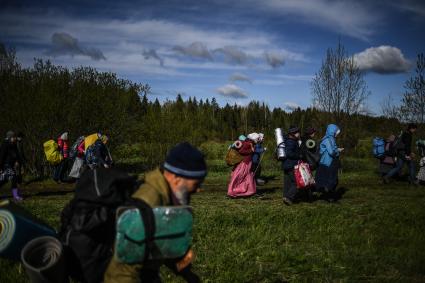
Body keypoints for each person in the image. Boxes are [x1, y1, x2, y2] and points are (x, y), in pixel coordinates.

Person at [104, 142, 207, 283]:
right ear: (176, 178)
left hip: (147, 273)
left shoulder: (166, 196)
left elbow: (163, 242)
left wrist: (188, 274)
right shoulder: (146, 205)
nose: (199, 190)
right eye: (196, 184)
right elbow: (122, 272)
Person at [315, 124, 343, 202]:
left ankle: (328, 196)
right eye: (336, 132)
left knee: (329, 179)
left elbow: (331, 149)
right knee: (331, 180)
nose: (337, 134)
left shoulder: (331, 139)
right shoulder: (328, 139)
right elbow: (331, 152)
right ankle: (329, 196)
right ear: (332, 131)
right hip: (328, 162)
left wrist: (337, 149)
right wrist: (338, 151)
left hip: (328, 162)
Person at [0, 131, 24, 201]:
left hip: (11, 164)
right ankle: (16, 196)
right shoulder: (5, 144)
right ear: (9, 137)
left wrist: (18, 161)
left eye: (14, 137)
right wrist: (0, 167)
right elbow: (2, 156)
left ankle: (16, 195)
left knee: (5, 180)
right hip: (6, 164)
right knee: (14, 177)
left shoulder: (13, 143)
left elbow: (16, 154)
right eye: (13, 137)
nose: (15, 138)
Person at [282, 126, 302, 205]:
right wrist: (299, 156)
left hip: (286, 165)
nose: (299, 134)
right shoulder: (291, 142)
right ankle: (289, 197)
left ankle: (285, 196)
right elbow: (289, 153)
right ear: (294, 134)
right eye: (297, 132)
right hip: (291, 164)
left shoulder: (288, 140)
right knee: (296, 182)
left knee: (287, 182)